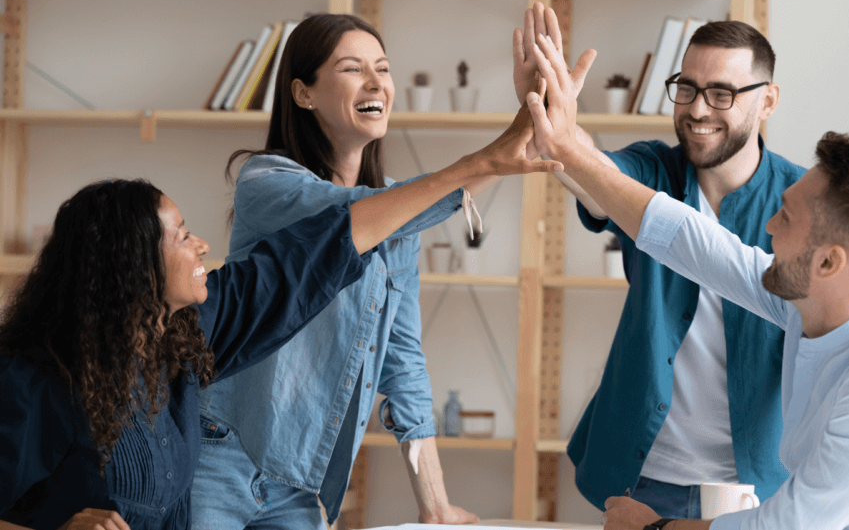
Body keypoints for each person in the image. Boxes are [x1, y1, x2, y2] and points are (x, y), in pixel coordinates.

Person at [523, 31, 849, 528]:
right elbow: (695, 244)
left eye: (786, 220)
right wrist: (565, 142)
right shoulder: (812, 301)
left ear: (828, 263)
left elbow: (783, 528)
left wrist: (653, 528)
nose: (768, 229)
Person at [0, 101, 557, 530]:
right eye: (181, 235)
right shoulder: (36, 378)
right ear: (129, 264)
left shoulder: (190, 330)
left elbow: (323, 248)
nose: (200, 246)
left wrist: (488, 161)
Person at [190, 13, 520, 530]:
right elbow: (350, 218)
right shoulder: (268, 182)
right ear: (304, 94)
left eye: (383, 69)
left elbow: (403, 361)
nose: (376, 83)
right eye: (352, 68)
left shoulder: (400, 213)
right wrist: (491, 159)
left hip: (299, 474)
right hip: (218, 455)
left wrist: (434, 503)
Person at [512, 4, 801, 516]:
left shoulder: (802, 202)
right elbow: (597, 178)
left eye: (722, 93)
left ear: (769, 101)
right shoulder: (653, 168)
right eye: (686, 88)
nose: (696, 109)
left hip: (755, 484)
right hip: (641, 475)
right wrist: (551, 119)